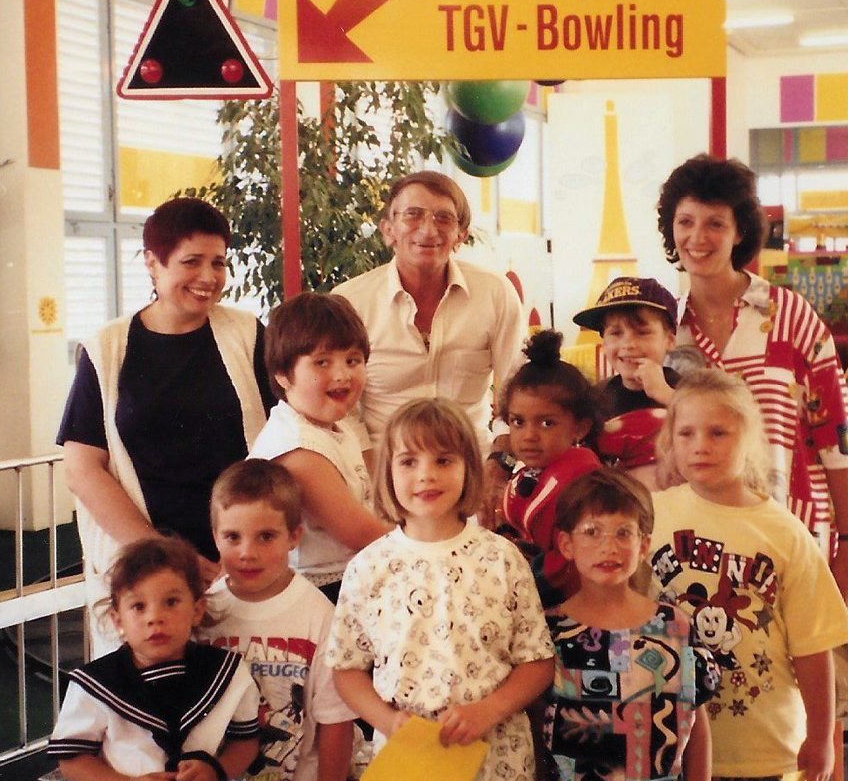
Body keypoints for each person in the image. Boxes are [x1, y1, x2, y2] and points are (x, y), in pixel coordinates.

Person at [326, 399, 555, 781]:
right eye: (409, 461)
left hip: (496, 754)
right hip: (412, 753)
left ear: (469, 469)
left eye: (444, 460)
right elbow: (347, 670)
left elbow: (537, 661)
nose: (425, 475)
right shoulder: (370, 568)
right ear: (387, 472)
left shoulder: (501, 557)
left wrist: (487, 710)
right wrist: (387, 723)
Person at [645, 372, 848, 781]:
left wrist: (822, 734)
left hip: (773, 746)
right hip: (687, 745)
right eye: (687, 433)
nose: (701, 447)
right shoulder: (655, 515)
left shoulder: (783, 532)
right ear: (669, 440)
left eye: (718, 433)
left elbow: (813, 645)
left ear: (750, 440)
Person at [58, 196, 273, 655]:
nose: (208, 278)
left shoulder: (247, 334)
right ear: (153, 264)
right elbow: (83, 468)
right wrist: (168, 558)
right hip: (145, 570)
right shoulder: (108, 347)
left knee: (245, 700)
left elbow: (286, 430)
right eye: (191, 262)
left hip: (238, 561)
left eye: (219, 263)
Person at [655, 155, 848, 603]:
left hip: (792, 529)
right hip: (695, 547)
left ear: (739, 232)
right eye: (685, 221)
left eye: (715, 223)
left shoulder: (788, 316)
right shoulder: (664, 329)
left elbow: (837, 437)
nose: (697, 237)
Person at [536, 469, 719, 781]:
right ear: (566, 544)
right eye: (592, 532)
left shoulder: (674, 627)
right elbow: (535, 742)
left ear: (643, 544)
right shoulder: (549, 633)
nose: (608, 546)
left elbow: (697, 726)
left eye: (623, 533)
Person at [49, 535, 263, 781]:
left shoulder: (227, 673)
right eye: (138, 606)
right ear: (117, 619)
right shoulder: (94, 685)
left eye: (171, 602)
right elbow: (72, 759)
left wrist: (218, 771)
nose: (154, 617)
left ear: (197, 610)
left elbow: (246, 741)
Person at [203, 460, 358, 781]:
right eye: (232, 537)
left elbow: (335, 721)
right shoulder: (205, 614)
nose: (247, 552)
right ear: (214, 535)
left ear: (294, 536)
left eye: (265, 536)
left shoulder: (317, 615)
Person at [335, 170, 525, 511]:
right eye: (413, 215)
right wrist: (376, 474)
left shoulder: (495, 293)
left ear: (460, 235)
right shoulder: (350, 302)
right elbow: (339, 406)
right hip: (382, 474)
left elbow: (521, 390)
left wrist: (499, 462)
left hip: (474, 473)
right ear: (388, 230)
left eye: (443, 218)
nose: (428, 229)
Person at [248, 292, 391, 603]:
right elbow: (361, 534)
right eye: (322, 362)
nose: (342, 374)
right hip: (320, 593)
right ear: (283, 374)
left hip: (353, 576)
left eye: (353, 360)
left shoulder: (332, 426)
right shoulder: (298, 450)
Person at [496, 329, 604, 603]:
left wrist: (524, 581)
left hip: (573, 603)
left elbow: (574, 557)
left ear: (579, 427)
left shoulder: (584, 483)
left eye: (546, 423)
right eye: (518, 422)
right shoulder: (527, 473)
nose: (529, 435)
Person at [572, 276, 682, 490]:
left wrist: (666, 394)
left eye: (642, 332)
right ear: (603, 342)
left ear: (669, 339)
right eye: (615, 333)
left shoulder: (690, 392)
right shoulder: (594, 399)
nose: (628, 344)